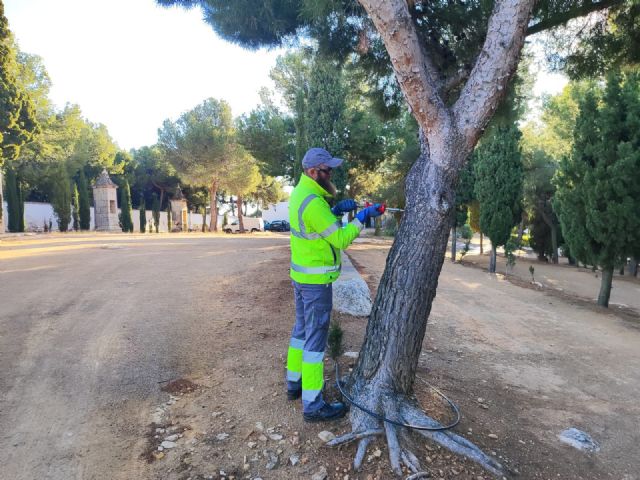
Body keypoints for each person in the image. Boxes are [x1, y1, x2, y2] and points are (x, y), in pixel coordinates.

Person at [286, 147, 383, 422]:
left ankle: (294, 385)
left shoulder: (303, 194)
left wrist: (336, 210)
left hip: (302, 277)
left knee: (301, 332)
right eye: (327, 170)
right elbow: (339, 240)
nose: (331, 174)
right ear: (313, 172)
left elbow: (318, 227)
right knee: (315, 341)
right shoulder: (314, 202)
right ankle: (313, 405)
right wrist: (361, 219)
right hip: (315, 282)